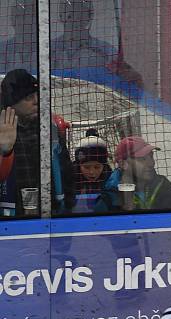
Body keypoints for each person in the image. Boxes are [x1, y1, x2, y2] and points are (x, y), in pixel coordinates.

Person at [0, 69, 74, 216]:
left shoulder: (48, 127)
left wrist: (68, 204)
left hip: (50, 211)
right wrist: (4, 151)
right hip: (10, 216)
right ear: (12, 103)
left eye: (37, 94)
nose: (36, 101)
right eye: (28, 97)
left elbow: (65, 166)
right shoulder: (2, 131)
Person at [93, 136, 171, 212]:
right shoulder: (109, 199)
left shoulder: (161, 184)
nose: (151, 163)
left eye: (151, 156)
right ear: (123, 164)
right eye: (142, 159)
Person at [0, 0, 37, 74]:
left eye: (31, 15)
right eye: (19, 16)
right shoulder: (2, 49)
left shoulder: (47, 49)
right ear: (12, 20)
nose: (26, 20)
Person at [72, 128, 111, 196]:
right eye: (86, 167)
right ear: (79, 165)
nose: (92, 172)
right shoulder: (72, 177)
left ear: (104, 166)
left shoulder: (109, 178)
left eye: (97, 167)